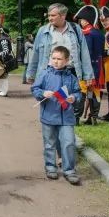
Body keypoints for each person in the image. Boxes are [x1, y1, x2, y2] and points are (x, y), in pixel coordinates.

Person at [30, 46, 81, 185]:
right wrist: (42, 93)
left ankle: (69, 170)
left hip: (67, 117)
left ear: (67, 60)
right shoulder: (45, 74)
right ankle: (50, 167)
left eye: (59, 59)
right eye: (54, 58)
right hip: (49, 116)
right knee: (49, 143)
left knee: (69, 143)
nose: (56, 61)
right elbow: (35, 88)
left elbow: (78, 92)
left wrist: (74, 98)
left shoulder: (71, 77)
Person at [27, 3, 94, 86]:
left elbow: (84, 53)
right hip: (50, 73)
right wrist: (31, 74)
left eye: (53, 15)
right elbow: (35, 54)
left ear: (63, 15)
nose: (50, 18)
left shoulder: (76, 29)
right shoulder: (43, 31)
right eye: (49, 15)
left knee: (72, 98)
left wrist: (88, 75)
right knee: (52, 98)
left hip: (72, 73)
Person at [72, 0, 105, 125]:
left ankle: (76, 118)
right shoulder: (99, 33)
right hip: (97, 66)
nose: (80, 22)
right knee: (94, 92)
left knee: (82, 92)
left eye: (81, 20)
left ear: (86, 21)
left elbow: (86, 52)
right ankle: (94, 117)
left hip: (87, 67)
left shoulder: (86, 34)